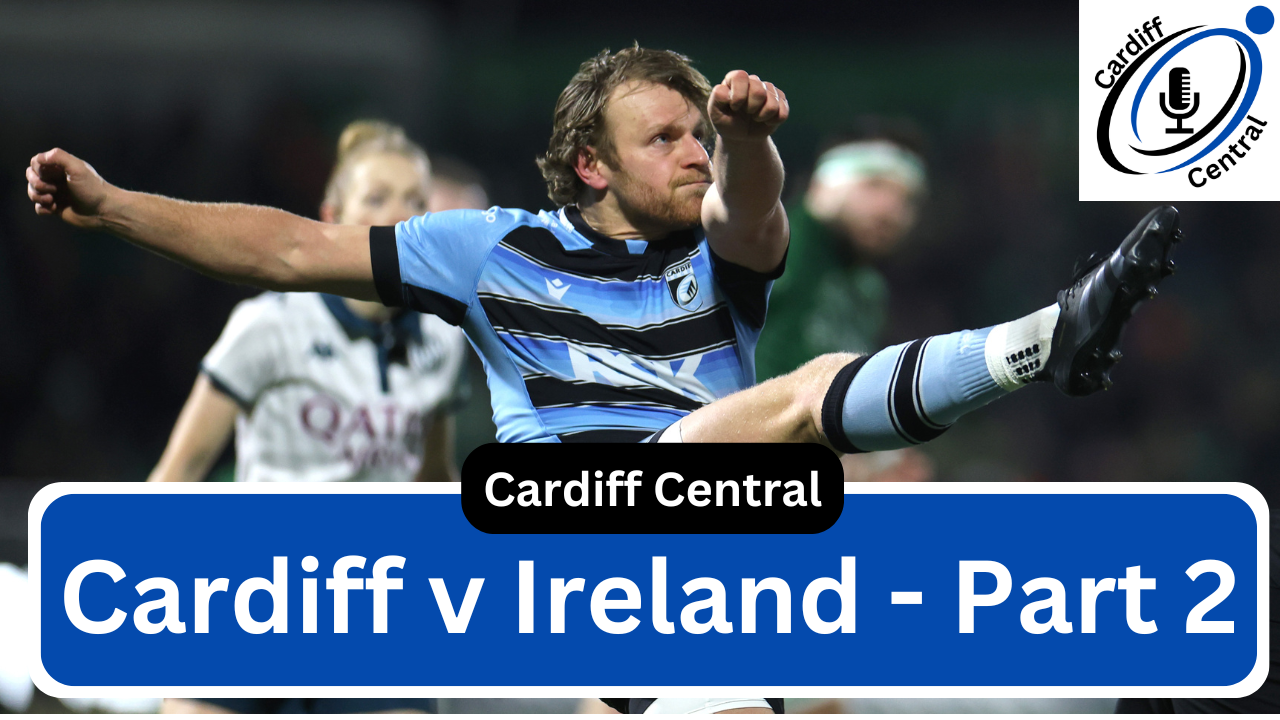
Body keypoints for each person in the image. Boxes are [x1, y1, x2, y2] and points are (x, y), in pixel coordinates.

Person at [27, 46, 1182, 714]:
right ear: (590, 164)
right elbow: (285, 250)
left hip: (695, 565)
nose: (692, 152)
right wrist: (115, 206)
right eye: (665, 137)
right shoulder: (486, 250)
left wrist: (744, 137)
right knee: (805, 394)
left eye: (696, 134)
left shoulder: (719, 258)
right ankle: (1048, 338)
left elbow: (753, 209)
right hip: (562, 525)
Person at [147, 120, 458, 714]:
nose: (399, 215)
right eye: (377, 198)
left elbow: (434, 484)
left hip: (376, 610)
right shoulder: (270, 323)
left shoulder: (442, 340)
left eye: (415, 201)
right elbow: (177, 474)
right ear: (331, 217)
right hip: (255, 593)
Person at [756, 128, 933, 483]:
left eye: (907, 199)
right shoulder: (778, 241)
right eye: (873, 185)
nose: (891, 210)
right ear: (822, 186)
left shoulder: (868, 290)